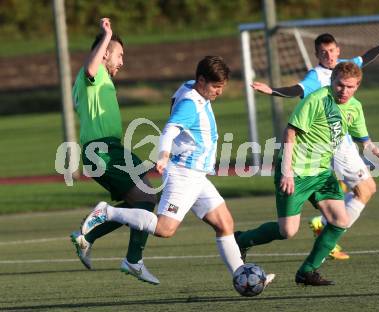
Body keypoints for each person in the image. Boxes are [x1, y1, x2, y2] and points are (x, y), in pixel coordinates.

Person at [79, 56, 275, 287]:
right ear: (201, 80)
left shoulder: (190, 87)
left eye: (222, 87)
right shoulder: (190, 104)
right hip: (184, 173)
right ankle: (107, 212)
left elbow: (176, 105)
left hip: (197, 175)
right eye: (216, 87)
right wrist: (163, 155)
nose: (219, 92)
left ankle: (241, 275)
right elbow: (169, 130)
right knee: (164, 229)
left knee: (225, 224)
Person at [250, 25, 379, 260]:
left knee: (364, 189)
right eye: (324, 52)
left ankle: (325, 225)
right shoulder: (316, 77)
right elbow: (296, 89)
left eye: (332, 50)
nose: (329, 55)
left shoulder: (345, 67)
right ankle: (327, 230)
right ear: (317, 55)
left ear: (338, 50)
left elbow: (366, 57)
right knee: (366, 189)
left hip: (342, 140)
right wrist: (272, 90)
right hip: (333, 145)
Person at [237, 62, 379, 285]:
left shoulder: (355, 107)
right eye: (340, 85)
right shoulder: (317, 99)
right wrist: (286, 173)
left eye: (350, 87)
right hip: (296, 172)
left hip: (322, 172)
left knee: (340, 220)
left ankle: (307, 271)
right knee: (287, 231)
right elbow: (290, 132)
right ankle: (242, 239)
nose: (344, 91)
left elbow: (366, 142)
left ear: (357, 86)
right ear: (332, 81)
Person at [69, 18, 159, 285]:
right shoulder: (93, 78)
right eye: (119, 55)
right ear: (105, 52)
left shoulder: (101, 81)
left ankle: (89, 236)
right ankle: (133, 260)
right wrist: (106, 35)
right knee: (147, 201)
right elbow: (90, 67)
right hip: (104, 151)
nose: (122, 61)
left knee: (141, 203)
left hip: (111, 150)